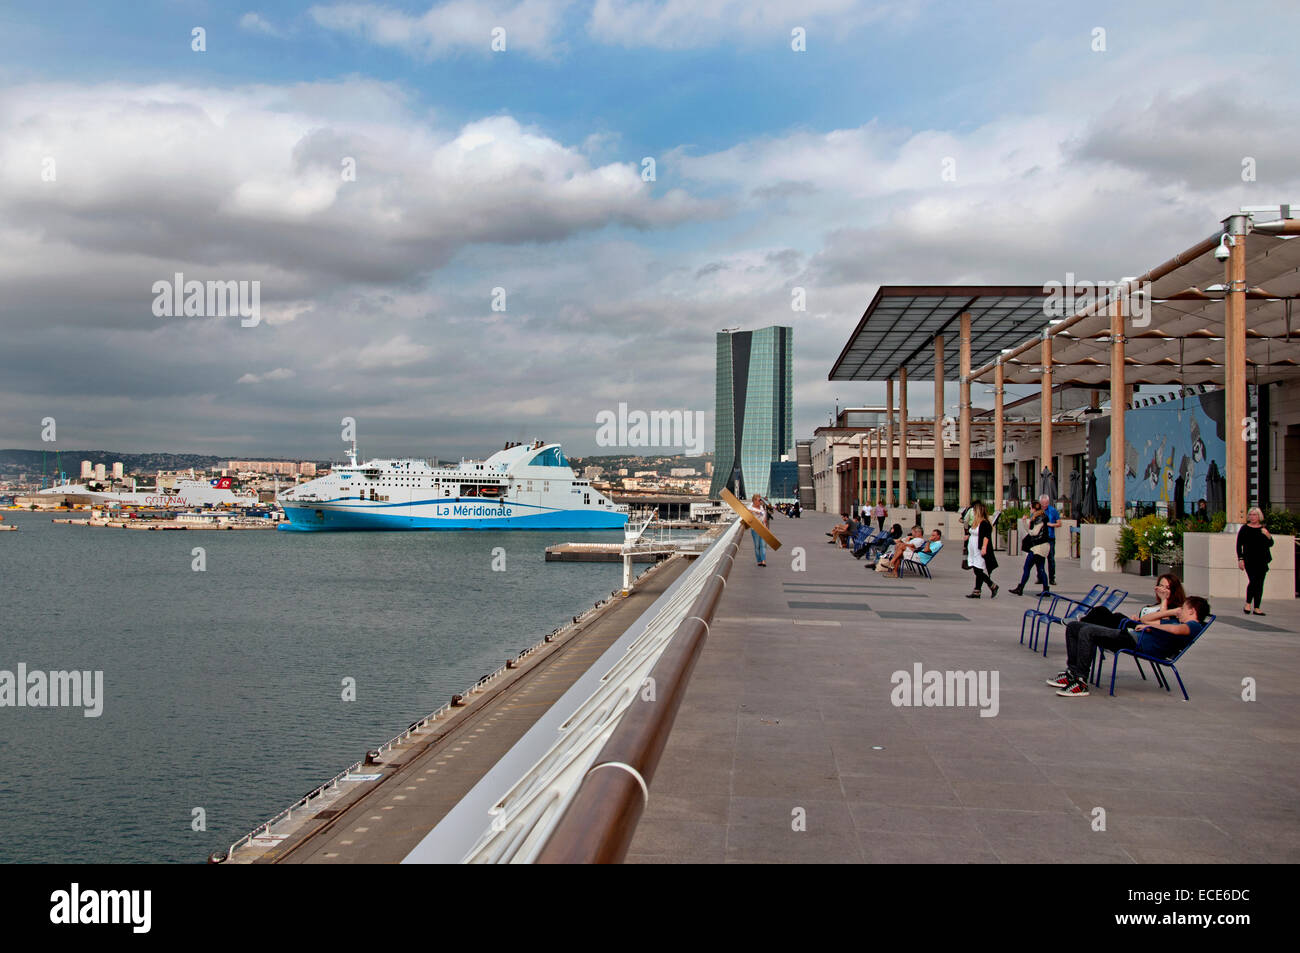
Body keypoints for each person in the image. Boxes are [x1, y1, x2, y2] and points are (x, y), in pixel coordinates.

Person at [1051, 596, 1211, 697]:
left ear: (1191, 611)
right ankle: (1072, 672)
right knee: (1073, 627)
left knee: (1087, 631)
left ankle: (1081, 681)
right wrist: (1169, 612)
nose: (1180, 611)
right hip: (1132, 636)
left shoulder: (1193, 625)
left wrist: (1153, 628)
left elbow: (1176, 630)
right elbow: (1146, 619)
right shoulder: (1176, 620)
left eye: (1183, 609)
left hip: (1136, 643)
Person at [1237, 507, 1274, 616]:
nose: (1253, 517)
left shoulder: (1263, 529)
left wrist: (1267, 535)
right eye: (1251, 515)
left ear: (1259, 516)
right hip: (1249, 559)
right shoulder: (1244, 529)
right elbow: (1239, 545)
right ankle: (1248, 603)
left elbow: (1270, 543)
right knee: (1253, 581)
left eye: (1255, 515)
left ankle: (1257, 607)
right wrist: (1240, 559)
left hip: (1262, 560)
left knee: (1260, 583)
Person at [1009, 500, 1051, 596]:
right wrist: (1025, 523)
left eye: (1030, 508)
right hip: (1042, 546)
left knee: (1027, 567)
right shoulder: (1040, 517)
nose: (1030, 510)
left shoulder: (1039, 518)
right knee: (1041, 568)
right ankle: (1046, 590)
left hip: (1037, 547)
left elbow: (1034, 532)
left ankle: (1020, 588)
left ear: (1033, 508)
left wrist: (1025, 523)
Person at [965, 501, 998, 598]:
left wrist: (984, 547)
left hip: (979, 549)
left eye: (975, 511)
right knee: (977, 569)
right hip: (973, 548)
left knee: (978, 570)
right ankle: (977, 591)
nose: (973, 512)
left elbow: (986, 537)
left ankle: (992, 585)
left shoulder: (984, 523)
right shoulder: (976, 522)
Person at [1040, 494, 1061, 586]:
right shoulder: (1038, 511)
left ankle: (1052, 578)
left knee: (1051, 559)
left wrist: (1050, 524)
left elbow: (1059, 523)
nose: (1044, 505)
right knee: (1040, 559)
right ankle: (1040, 577)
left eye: (1046, 503)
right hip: (1040, 538)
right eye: (1043, 504)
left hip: (1050, 537)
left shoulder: (1053, 511)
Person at [746, 493, 768, 567]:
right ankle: (759, 560)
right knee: (757, 546)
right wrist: (756, 512)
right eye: (759, 500)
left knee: (763, 545)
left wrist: (766, 525)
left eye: (760, 500)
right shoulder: (751, 508)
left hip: (763, 528)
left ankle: (763, 560)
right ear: (754, 501)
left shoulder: (761, 507)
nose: (760, 502)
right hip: (755, 529)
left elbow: (764, 517)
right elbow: (747, 513)